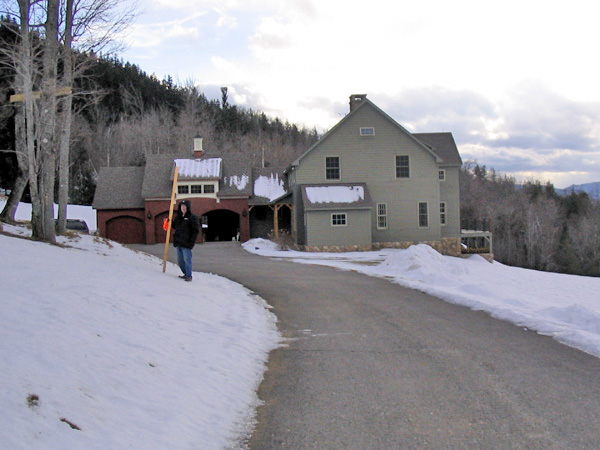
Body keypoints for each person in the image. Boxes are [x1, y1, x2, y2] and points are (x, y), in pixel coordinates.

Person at [171, 199, 200, 282]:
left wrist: (191, 242)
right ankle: (186, 274)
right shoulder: (178, 218)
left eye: (184, 207)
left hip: (186, 243)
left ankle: (189, 276)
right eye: (181, 206)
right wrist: (170, 222)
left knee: (187, 260)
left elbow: (195, 231)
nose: (183, 208)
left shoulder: (192, 218)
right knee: (180, 261)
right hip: (178, 242)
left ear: (188, 207)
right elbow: (176, 227)